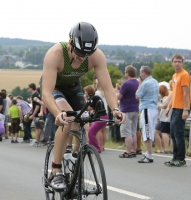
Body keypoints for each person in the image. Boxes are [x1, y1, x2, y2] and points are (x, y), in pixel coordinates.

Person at [41, 22, 125, 189]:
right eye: (79, 53)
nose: (82, 58)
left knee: (84, 121)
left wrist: (115, 109)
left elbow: (108, 88)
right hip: (55, 88)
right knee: (68, 117)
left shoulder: (97, 56)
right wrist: (58, 114)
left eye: (87, 54)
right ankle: (56, 170)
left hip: (74, 88)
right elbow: (46, 93)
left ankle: (74, 162)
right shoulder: (55, 54)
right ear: (71, 43)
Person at [165, 54, 191, 167]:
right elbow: (174, 94)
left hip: (181, 108)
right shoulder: (175, 76)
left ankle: (181, 158)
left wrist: (185, 109)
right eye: (175, 61)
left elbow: (186, 93)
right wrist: (168, 106)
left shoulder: (184, 75)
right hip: (175, 107)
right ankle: (175, 157)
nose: (177, 63)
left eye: (179, 61)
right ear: (172, 63)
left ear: (183, 63)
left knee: (178, 133)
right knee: (173, 133)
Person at [136, 66, 159, 163]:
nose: (140, 75)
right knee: (150, 130)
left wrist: (139, 86)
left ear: (144, 73)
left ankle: (149, 155)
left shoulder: (145, 83)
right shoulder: (155, 81)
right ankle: (148, 153)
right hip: (153, 108)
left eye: (141, 73)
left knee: (146, 132)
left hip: (146, 108)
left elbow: (137, 96)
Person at [117, 65, 139, 158]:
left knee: (127, 132)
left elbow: (119, 97)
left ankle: (128, 151)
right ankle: (134, 150)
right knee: (133, 131)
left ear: (127, 73)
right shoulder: (137, 83)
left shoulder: (126, 84)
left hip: (126, 109)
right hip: (135, 108)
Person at [83, 85, 108, 153]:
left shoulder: (94, 98)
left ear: (88, 92)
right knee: (96, 131)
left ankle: (96, 148)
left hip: (101, 116)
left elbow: (89, 108)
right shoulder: (96, 97)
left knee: (91, 132)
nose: (84, 93)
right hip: (104, 116)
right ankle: (94, 147)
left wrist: (85, 99)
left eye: (85, 92)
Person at [157, 85, 172, 153]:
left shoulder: (166, 97)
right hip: (167, 117)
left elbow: (165, 105)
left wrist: (160, 105)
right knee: (166, 132)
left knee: (164, 132)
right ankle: (167, 148)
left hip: (165, 117)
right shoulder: (169, 95)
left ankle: (166, 148)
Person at [27, 83, 42, 147]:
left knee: (37, 128)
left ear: (31, 88)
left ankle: (37, 141)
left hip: (37, 114)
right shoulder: (36, 94)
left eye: (29, 88)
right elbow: (33, 106)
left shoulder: (35, 95)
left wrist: (33, 115)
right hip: (37, 113)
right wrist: (29, 111)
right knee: (38, 127)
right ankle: (39, 140)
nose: (28, 89)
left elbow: (37, 106)